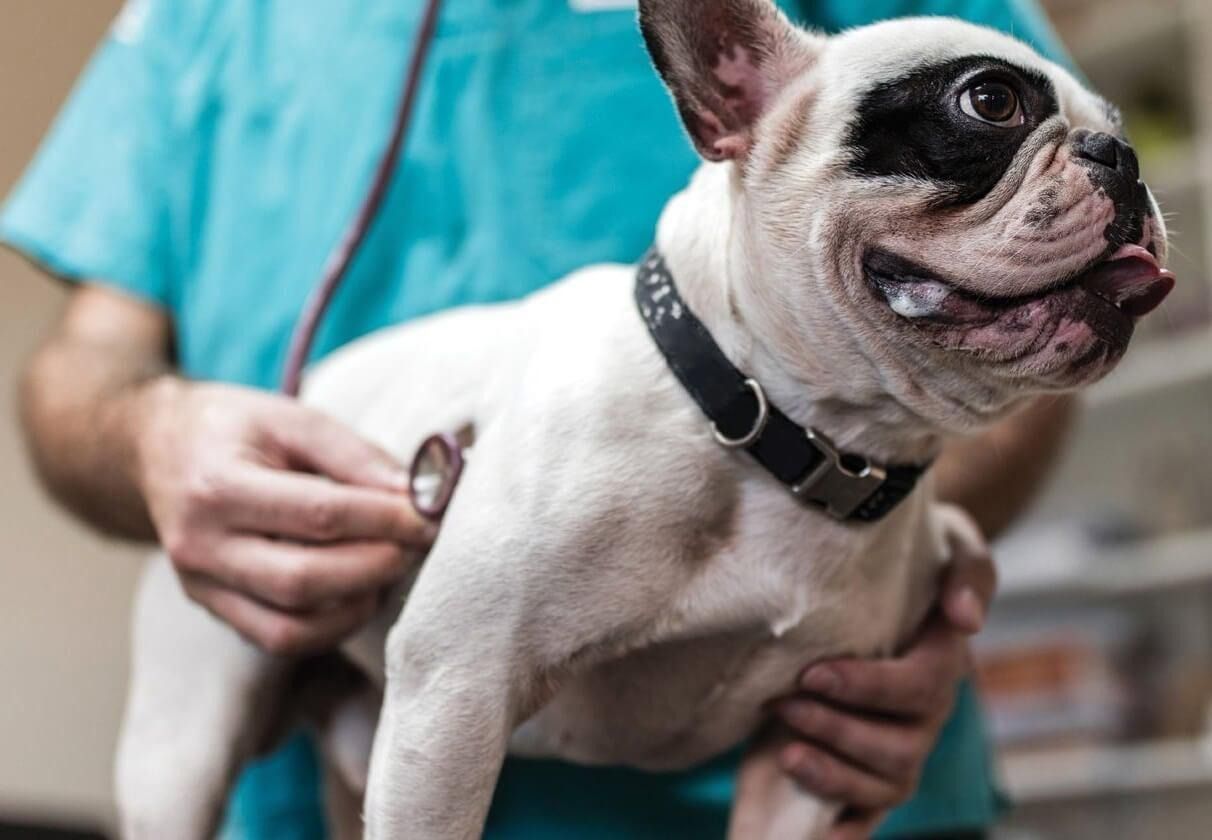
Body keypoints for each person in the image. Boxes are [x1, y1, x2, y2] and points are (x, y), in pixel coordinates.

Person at [2, 1, 1076, 838]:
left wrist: (881, 553)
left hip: (823, 768)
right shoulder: (195, 18)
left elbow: (1022, 274)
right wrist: (153, 438)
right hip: (305, 720)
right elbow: (87, 367)